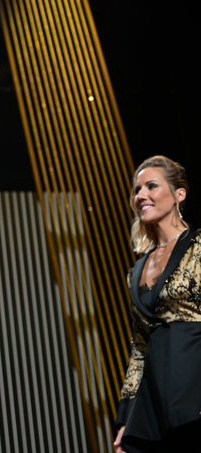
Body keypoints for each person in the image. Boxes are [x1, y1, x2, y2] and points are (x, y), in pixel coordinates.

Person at [113, 155, 201, 452]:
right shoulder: (135, 271)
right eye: (137, 190)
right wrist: (127, 418)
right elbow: (139, 347)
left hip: (194, 392)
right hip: (153, 409)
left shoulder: (199, 249)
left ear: (179, 194)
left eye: (151, 186)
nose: (141, 196)